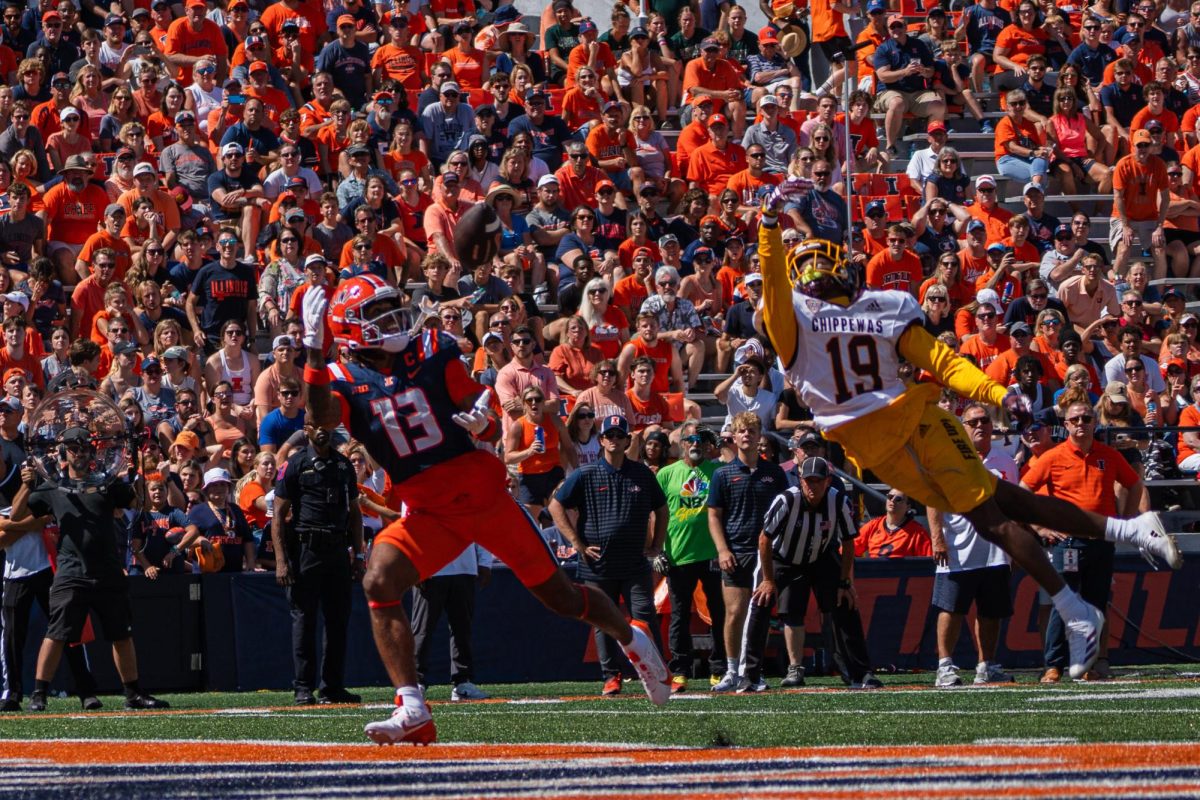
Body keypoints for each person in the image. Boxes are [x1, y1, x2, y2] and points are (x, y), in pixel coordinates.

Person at [756, 183, 1181, 684]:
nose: (807, 274)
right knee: (1001, 500)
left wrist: (998, 396)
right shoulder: (832, 313)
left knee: (988, 517)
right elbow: (942, 360)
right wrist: (770, 225)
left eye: (806, 263)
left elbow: (942, 361)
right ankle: (1129, 530)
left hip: (915, 425)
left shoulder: (836, 313)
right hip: (879, 449)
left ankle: (1075, 611)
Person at [302, 262, 669, 745]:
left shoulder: (432, 350)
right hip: (429, 512)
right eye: (381, 313)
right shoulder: (340, 376)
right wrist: (310, 349)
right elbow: (320, 418)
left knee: (561, 597)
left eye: (394, 307)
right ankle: (413, 708)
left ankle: (632, 637)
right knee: (379, 579)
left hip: (483, 496)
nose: (395, 318)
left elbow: (488, 416)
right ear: (352, 328)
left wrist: (484, 422)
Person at [12, 429, 168, 712]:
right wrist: (25, 484)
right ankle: (39, 693)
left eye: (84, 447)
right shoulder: (53, 486)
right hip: (71, 571)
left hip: (108, 570)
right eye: (73, 447)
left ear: (92, 452)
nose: (79, 452)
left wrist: (139, 471)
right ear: (64, 452)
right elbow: (16, 515)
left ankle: (133, 694)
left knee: (121, 633)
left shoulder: (106, 484)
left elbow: (138, 503)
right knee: (56, 633)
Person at [1022, 401, 1149, 683]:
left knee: (1096, 605)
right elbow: (1024, 490)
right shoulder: (1053, 457)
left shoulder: (1109, 455)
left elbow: (1135, 483)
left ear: (1094, 422)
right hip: (1068, 543)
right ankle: (1053, 665)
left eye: (1086, 418)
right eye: (1075, 419)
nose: (1081, 423)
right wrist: (1039, 527)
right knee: (1062, 604)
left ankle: (1088, 664)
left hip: (1101, 542)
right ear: (1065, 425)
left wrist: (1124, 524)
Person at [550, 413, 668, 697]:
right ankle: (610, 676)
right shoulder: (585, 473)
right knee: (602, 621)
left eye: (620, 436)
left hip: (634, 563)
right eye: (609, 435)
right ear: (601, 440)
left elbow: (661, 509)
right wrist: (577, 543)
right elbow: (556, 506)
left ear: (628, 441)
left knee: (644, 616)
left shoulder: (641, 473)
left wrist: (658, 544)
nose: (614, 440)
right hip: (597, 564)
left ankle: (656, 672)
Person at [742, 455, 878, 691]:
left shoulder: (839, 502)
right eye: (808, 480)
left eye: (817, 481)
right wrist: (767, 579)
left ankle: (860, 672)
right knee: (761, 603)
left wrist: (845, 582)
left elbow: (848, 542)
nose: (812, 486)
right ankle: (750, 675)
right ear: (800, 480)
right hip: (782, 558)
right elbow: (764, 539)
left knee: (845, 603)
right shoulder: (786, 501)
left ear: (828, 481)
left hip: (821, 556)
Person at [271, 422, 365, 706]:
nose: (321, 430)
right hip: (305, 550)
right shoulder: (295, 464)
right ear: (306, 429)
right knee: (304, 620)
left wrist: (358, 556)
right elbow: (278, 515)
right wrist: (281, 561)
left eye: (325, 424)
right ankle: (303, 687)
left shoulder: (343, 465)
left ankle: (332, 686)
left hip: (337, 549)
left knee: (338, 621)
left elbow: (355, 513)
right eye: (314, 425)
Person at [927, 403, 1017, 687]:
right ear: (961, 427)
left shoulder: (1006, 461)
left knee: (991, 611)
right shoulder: (947, 459)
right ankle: (944, 665)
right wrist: (937, 536)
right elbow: (932, 500)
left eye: (984, 421)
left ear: (992, 426)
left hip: (995, 547)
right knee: (951, 608)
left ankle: (986, 664)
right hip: (957, 546)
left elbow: (1012, 506)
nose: (980, 426)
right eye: (973, 422)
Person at [707, 411, 787, 692]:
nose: (746, 435)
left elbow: (786, 512)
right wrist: (722, 549)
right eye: (741, 431)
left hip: (766, 554)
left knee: (760, 615)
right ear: (734, 435)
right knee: (734, 612)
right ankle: (731, 670)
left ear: (759, 436)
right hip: (736, 551)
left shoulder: (775, 473)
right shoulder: (722, 474)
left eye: (751, 431)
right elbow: (714, 515)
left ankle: (753, 671)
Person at [655, 425, 725, 693]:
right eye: (690, 439)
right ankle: (680, 671)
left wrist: (719, 443)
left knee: (718, 612)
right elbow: (657, 514)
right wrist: (657, 549)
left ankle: (719, 669)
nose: (695, 444)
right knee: (679, 615)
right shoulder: (666, 474)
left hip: (713, 554)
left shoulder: (717, 471)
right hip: (678, 554)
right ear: (682, 443)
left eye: (700, 439)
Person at [409, 543, 492, 702]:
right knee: (422, 629)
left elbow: (479, 525)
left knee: (462, 629)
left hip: (465, 568)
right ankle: (415, 683)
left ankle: (462, 682)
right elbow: (410, 525)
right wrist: (416, 564)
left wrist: (484, 561)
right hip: (431, 569)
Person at [855, 490, 933, 558]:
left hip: (903, 574)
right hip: (874, 572)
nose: (892, 500)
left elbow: (927, 563)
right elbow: (850, 551)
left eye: (898, 499)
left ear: (908, 507)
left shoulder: (918, 533)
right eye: (890, 497)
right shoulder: (872, 526)